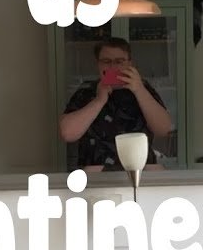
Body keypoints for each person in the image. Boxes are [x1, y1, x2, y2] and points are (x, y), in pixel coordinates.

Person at [59, 37, 173, 171]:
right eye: (106, 61)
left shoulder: (143, 88)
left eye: (119, 61)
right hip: (97, 171)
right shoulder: (86, 91)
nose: (113, 67)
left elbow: (164, 129)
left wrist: (139, 90)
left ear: (129, 63)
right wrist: (99, 100)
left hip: (140, 170)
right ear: (98, 64)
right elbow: (67, 133)